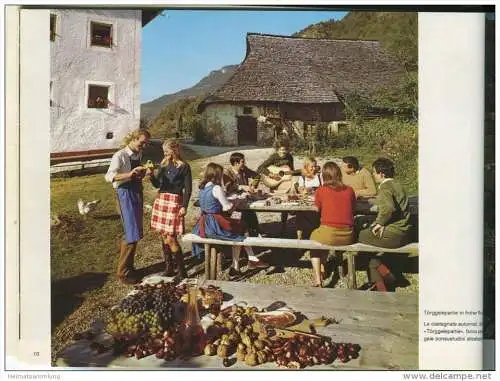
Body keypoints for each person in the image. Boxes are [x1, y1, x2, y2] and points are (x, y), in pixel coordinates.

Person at [192, 163, 268, 277]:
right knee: (242, 226)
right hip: (214, 224)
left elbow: (211, 202)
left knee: (239, 227)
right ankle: (243, 262)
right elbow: (227, 208)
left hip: (203, 224)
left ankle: (241, 264)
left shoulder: (203, 187)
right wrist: (238, 200)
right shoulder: (216, 188)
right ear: (217, 175)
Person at [105, 128, 151, 284]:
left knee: (136, 232)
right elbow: (109, 176)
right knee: (130, 233)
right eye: (142, 142)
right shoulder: (120, 155)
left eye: (146, 144)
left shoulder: (138, 154)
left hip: (136, 192)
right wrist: (129, 174)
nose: (143, 146)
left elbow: (137, 174)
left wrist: (144, 173)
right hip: (124, 194)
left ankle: (130, 268)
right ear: (134, 138)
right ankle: (123, 273)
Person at [306, 162, 356, 287]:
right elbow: (353, 208)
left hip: (329, 233)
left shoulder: (321, 190)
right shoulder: (349, 190)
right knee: (322, 235)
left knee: (314, 240)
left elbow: (317, 209)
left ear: (324, 176)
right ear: (339, 174)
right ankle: (323, 268)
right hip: (348, 235)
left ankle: (318, 278)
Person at [150, 139, 192, 279]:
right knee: (163, 235)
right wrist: (151, 175)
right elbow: (157, 184)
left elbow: (188, 189)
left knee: (171, 237)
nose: (165, 154)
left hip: (174, 201)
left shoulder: (184, 166)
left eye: (167, 151)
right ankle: (169, 268)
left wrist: (184, 206)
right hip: (161, 200)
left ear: (174, 150)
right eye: (164, 152)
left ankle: (181, 271)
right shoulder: (163, 164)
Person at [358, 158, 412, 249]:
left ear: (382, 174)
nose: (373, 175)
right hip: (404, 232)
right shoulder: (398, 185)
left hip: (393, 235)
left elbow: (388, 208)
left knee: (360, 235)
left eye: (374, 172)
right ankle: (377, 262)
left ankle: (373, 263)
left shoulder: (385, 187)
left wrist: (380, 223)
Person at [255, 138, 301, 234]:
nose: (283, 152)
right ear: (277, 149)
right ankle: (286, 217)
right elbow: (260, 168)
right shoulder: (273, 157)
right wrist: (271, 174)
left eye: (285, 150)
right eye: (281, 150)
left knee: (291, 189)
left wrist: (300, 172)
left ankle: (284, 223)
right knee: (283, 198)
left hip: (284, 181)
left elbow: (291, 171)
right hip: (274, 182)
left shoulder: (289, 157)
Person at [222, 152, 261, 236]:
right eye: (243, 161)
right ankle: (248, 232)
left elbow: (257, 176)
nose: (244, 163)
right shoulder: (226, 173)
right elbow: (227, 188)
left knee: (250, 209)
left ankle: (253, 230)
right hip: (232, 200)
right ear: (236, 163)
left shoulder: (244, 169)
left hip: (244, 198)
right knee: (247, 210)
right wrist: (241, 187)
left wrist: (253, 186)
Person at [295, 157, 321, 239]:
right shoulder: (302, 178)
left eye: (315, 166)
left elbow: (323, 189)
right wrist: (301, 190)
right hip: (306, 201)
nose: (314, 168)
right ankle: (299, 238)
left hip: (317, 201)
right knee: (300, 214)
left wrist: (312, 189)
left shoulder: (320, 177)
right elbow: (300, 190)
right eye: (312, 166)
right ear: (306, 167)